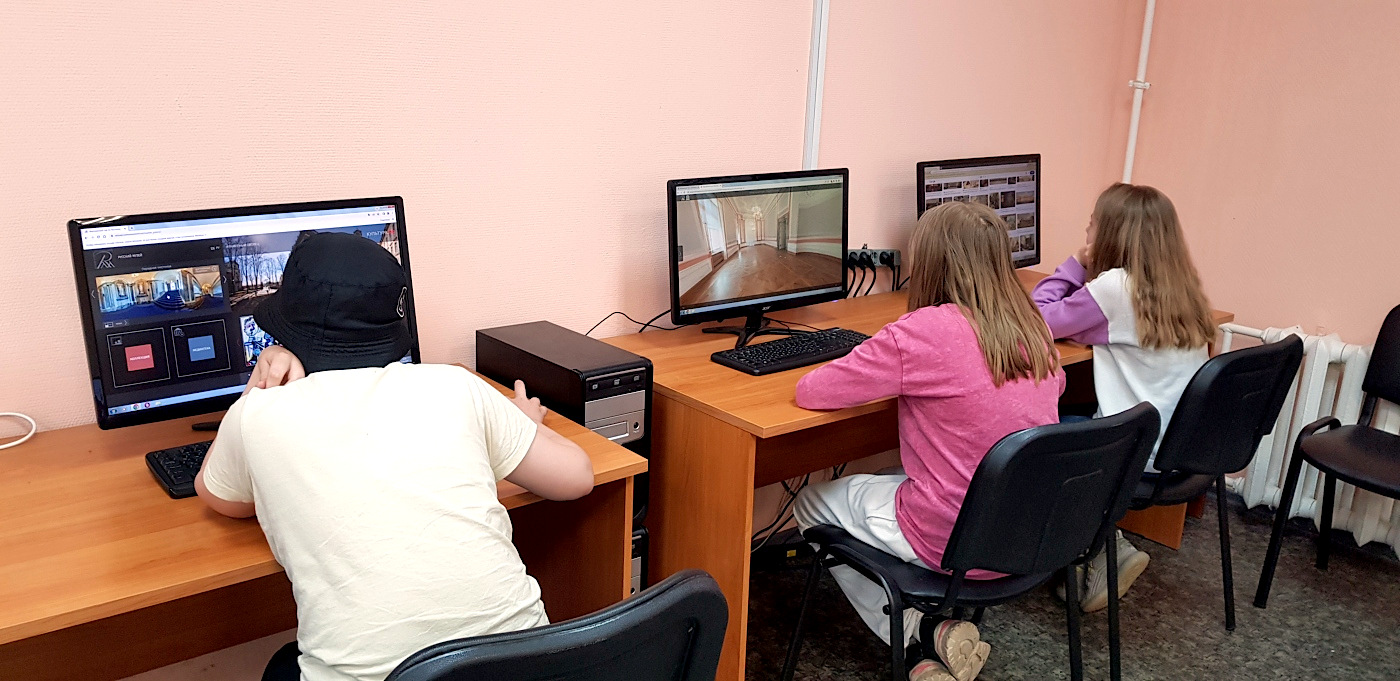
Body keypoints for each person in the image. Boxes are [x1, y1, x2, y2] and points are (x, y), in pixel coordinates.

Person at [194, 232, 595, 681]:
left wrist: (260, 386)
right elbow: (578, 476)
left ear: (285, 331)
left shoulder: (259, 416)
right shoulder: (452, 385)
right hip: (527, 668)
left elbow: (218, 495)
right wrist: (521, 424)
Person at [792, 202, 1065, 681]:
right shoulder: (1034, 327)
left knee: (811, 503)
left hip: (952, 541)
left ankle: (916, 632)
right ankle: (934, 630)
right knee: (886, 477)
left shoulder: (922, 332)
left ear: (931, 262)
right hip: (1027, 536)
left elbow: (813, 391)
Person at [1032, 182, 1215, 613]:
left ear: (1111, 235)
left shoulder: (1115, 288)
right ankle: (1090, 547)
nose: (1086, 231)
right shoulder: (1181, 285)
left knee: (1030, 442)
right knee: (1065, 411)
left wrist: (1075, 263)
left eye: (1092, 224)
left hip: (1134, 452)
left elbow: (1037, 318)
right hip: (1179, 448)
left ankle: (1103, 547)